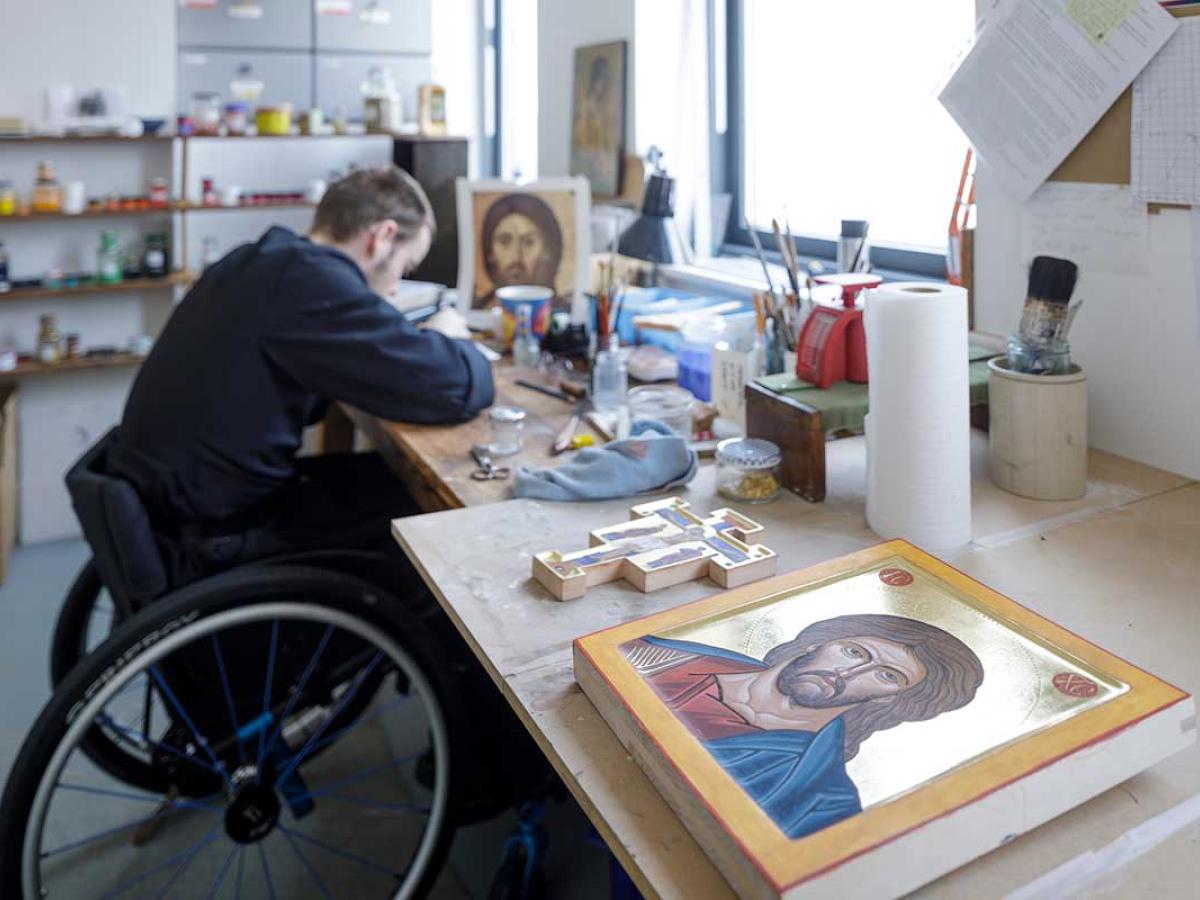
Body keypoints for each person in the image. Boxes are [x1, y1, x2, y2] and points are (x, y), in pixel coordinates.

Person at [109, 166, 493, 585]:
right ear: (381, 237)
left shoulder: (261, 261)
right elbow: (452, 388)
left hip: (175, 505)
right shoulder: (311, 285)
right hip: (218, 529)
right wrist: (454, 340)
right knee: (431, 520)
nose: (398, 287)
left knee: (379, 478)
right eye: (405, 266)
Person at [623, 613, 984, 840]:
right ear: (818, 642)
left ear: (888, 700)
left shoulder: (820, 799)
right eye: (855, 652)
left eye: (887, 675)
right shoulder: (661, 658)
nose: (847, 672)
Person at [478, 193, 563, 304]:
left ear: (545, 252)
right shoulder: (477, 312)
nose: (516, 257)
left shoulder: (562, 315)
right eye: (504, 242)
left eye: (529, 242)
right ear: (490, 253)